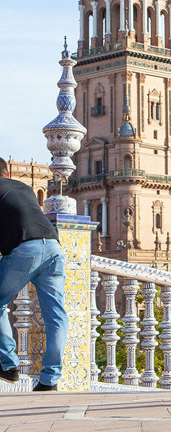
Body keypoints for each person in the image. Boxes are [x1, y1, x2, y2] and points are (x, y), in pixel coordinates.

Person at [0, 158, 68, 392]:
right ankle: (50, 380)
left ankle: (9, 366)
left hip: (25, 251)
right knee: (56, 316)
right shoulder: (24, 188)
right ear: (7, 172)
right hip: (54, 248)